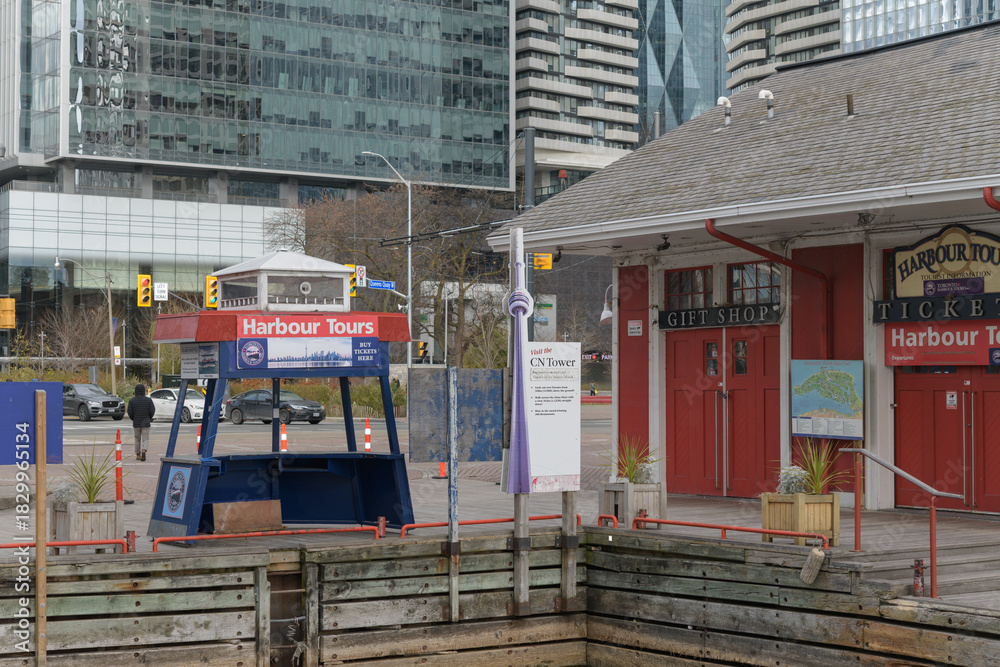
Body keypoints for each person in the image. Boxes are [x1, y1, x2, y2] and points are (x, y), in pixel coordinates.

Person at [127, 384, 155, 461]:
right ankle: (144, 450)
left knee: (137, 439)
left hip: (136, 422)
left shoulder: (132, 401)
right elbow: (152, 411)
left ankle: (138, 454)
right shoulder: (148, 400)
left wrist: (134, 418)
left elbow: (130, 412)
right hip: (146, 422)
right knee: (145, 438)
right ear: (144, 391)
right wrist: (149, 418)